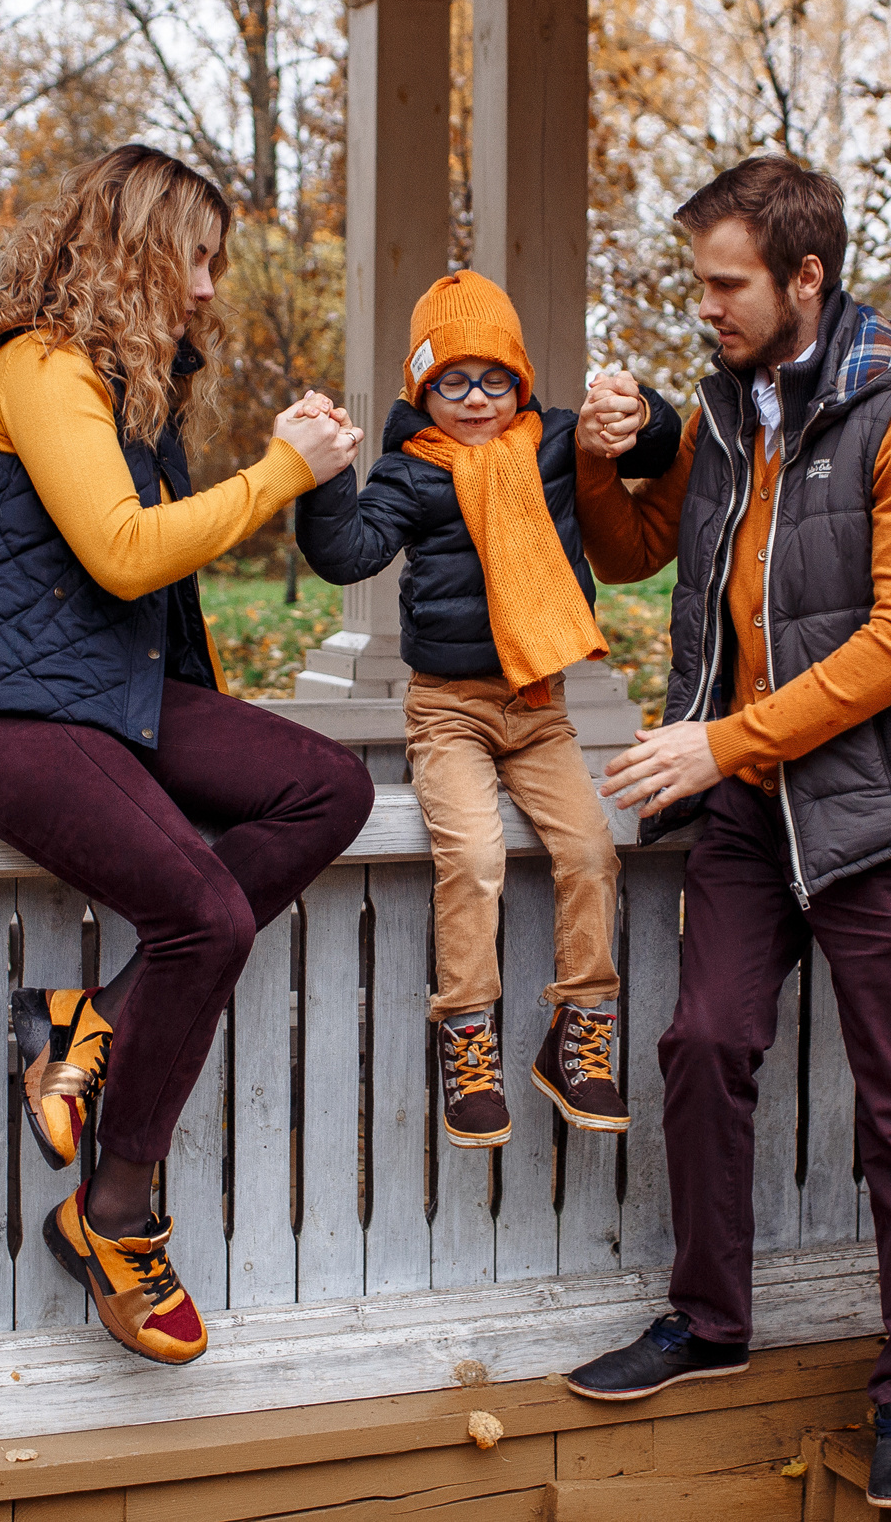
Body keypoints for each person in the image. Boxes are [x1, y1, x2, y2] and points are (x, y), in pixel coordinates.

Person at [556, 156, 891, 1511]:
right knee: (703, 1038)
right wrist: (599, 448)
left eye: (725, 283)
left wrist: (718, 741)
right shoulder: (727, 413)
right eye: (699, 282)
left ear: (807, 277)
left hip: (877, 809)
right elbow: (640, 547)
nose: (704, 306)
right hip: (750, 807)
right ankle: (711, 1316)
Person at [0, 145, 375, 1367]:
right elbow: (121, 552)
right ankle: (115, 1214)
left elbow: (133, 583)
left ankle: (88, 1021)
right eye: (197, 258)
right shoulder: (40, 361)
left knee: (331, 785)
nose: (209, 288)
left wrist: (291, 477)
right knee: (205, 913)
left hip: (105, 697)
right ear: (140, 249)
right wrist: (278, 474)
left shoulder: (125, 382)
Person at [294, 272, 680, 1149]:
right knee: (470, 857)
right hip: (451, 710)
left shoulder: (559, 446)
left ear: (522, 381)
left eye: (495, 379)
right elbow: (348, 552)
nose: (476, 399)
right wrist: (321, 481)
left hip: (539, 707)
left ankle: (581, 1030)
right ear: (421, 388)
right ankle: (466, 1035)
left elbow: (655, 451)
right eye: (453, 380)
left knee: (589, 849)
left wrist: (640, 409)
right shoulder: (412, 472)